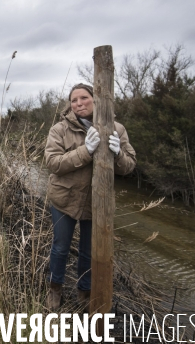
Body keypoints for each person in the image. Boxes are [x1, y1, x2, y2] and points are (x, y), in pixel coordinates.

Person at [44, 83, 136, 311]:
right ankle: (55, 289)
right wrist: (86, 150)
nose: (78, 104)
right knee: (60, 248)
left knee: (89, 252)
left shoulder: (116, 129)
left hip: (96, 204)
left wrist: (118, 154)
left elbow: (129, 166)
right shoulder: (60, 130)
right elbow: (53, 163)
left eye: (84, 98)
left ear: (95, 100)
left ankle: (84, 292)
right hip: (63, 200)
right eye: (74, 100)